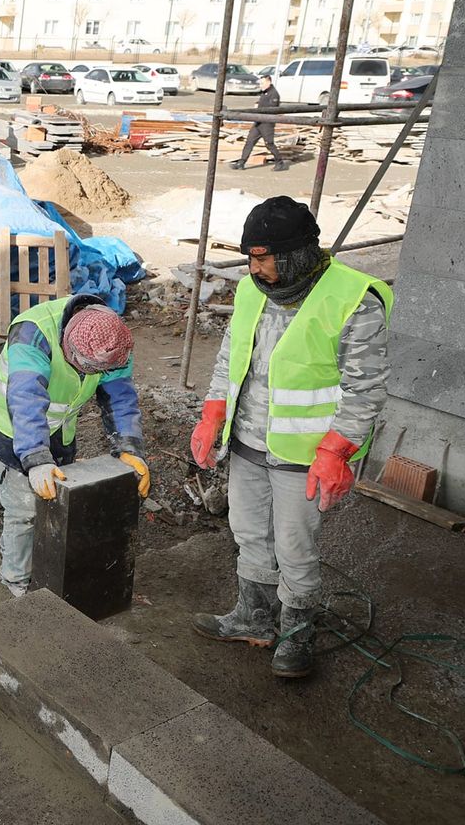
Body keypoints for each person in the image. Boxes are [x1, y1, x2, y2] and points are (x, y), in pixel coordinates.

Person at [191, 197, 390, 679]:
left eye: (263, 257)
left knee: (295, 548)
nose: (254, 268)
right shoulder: (251, 289)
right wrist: (213, 413)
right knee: (248, 532)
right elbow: (229, 358)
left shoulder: (354, 299)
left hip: (306, 454)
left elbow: (365, 390)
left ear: (297, 253)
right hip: (247, 441)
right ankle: (254, 617)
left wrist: (336, 451)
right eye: (250, 257)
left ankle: (297, 634)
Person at [0, 297, 148, 597]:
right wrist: (35, 458)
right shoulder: (33, 333)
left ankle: (45, 564)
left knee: (56, 500)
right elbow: (26, 398)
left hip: (60, 425)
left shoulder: (113, 341)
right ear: (68, 345)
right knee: (23, 509)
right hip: (11, 423)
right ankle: (14, 580)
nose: (90, 375)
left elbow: (120, 397)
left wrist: (129, 446)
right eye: (84, 367)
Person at [229, 75, 289, 171]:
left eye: (262, 83)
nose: (261, 85)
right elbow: (262, 103)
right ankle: (241, 162)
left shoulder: (274, 94)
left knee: (269, 144)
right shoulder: (264, 93)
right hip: (258, 122)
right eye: (260, 83)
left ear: (269, 82)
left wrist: (259, 108)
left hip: (267, 123)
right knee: (249, 142)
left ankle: (280, 162)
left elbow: (272, 109)